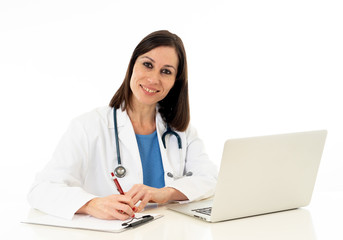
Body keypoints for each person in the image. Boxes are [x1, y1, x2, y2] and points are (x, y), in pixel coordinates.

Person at [27, 30, 218, 220]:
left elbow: (211, 179)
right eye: (147, 65)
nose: (153, 79)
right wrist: (90, 204)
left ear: (175, 81)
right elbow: (41, 189)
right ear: (132, 66)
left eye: (166, 71)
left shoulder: (180, 131)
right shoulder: (89, 126)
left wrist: (166, 193)